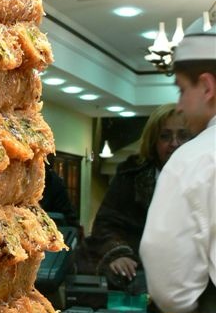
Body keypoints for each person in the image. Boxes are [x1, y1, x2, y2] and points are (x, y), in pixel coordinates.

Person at [140, 18, 216, 313]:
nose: (180, 105)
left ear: (207, 87)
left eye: (182, 89)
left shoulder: (194, 159)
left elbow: (171, 281)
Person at [77, 104, 190, 289]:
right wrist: (118, 253)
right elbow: (106, 223)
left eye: (183, 136)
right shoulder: (130, 175)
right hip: (138, 277)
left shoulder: (209, 177)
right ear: (154, 141)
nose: (174, 143)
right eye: (165, 136)